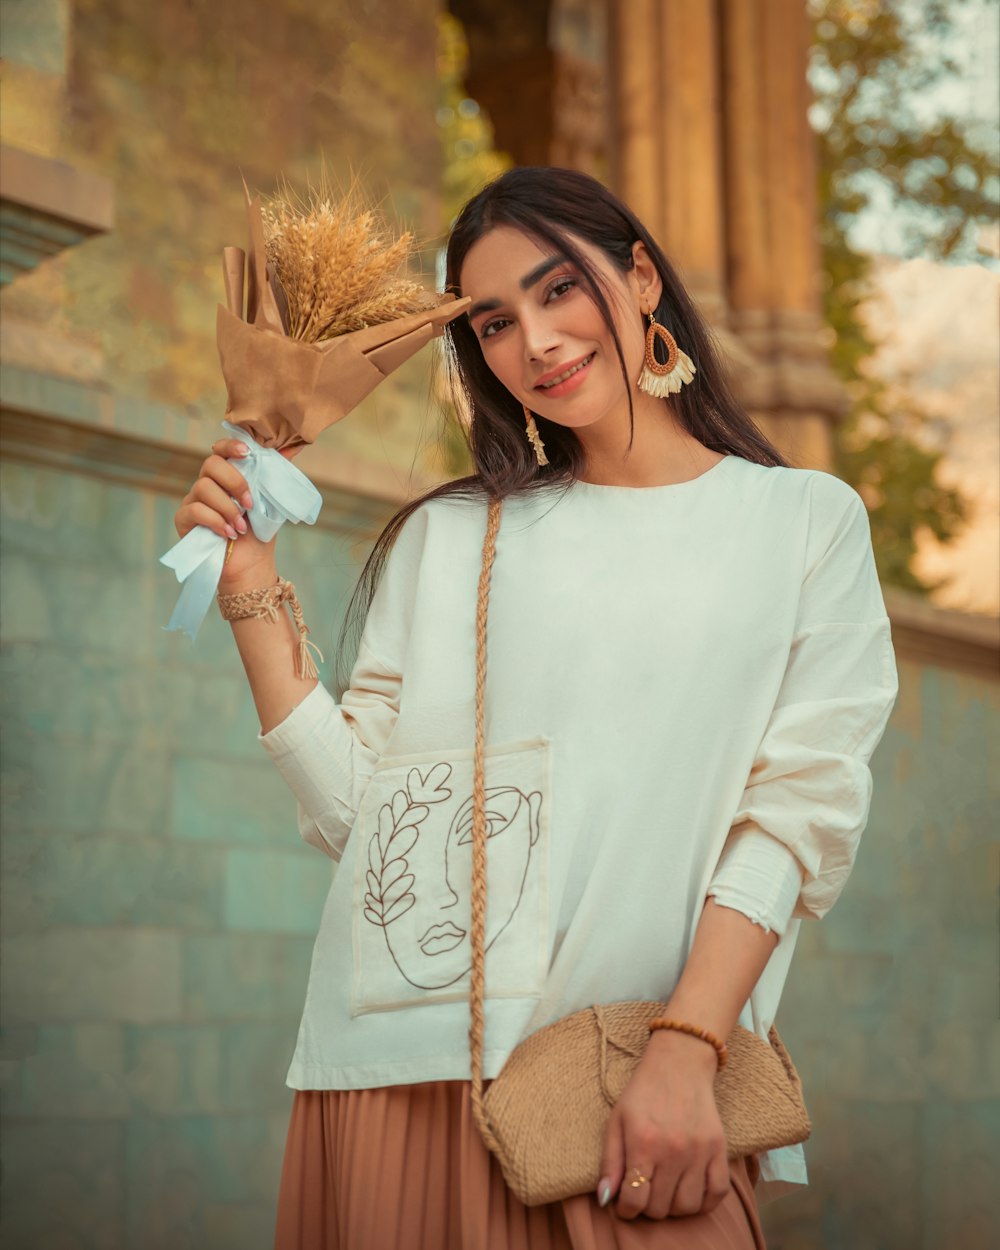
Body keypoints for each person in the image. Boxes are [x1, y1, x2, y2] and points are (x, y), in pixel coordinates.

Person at [172, 167, 899, 1249]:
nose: (539, 342)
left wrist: (685, 1046)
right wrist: (247, 594)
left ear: (640, 276)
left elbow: (799, 813)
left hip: (640, 1088)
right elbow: (361, 818)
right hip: (405, 1083)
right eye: (497, 321)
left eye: (561, 289)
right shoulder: (452, 534)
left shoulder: (803, 522)